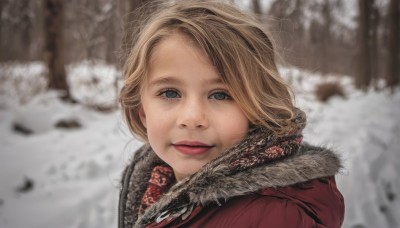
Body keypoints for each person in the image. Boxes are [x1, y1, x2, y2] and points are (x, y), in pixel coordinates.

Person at [118, 1, 345, 227]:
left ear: (255, 106)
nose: (192, 118)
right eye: (169, 93)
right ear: (141, 110)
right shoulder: (151, 184)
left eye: (220, 95)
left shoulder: (273, 217)